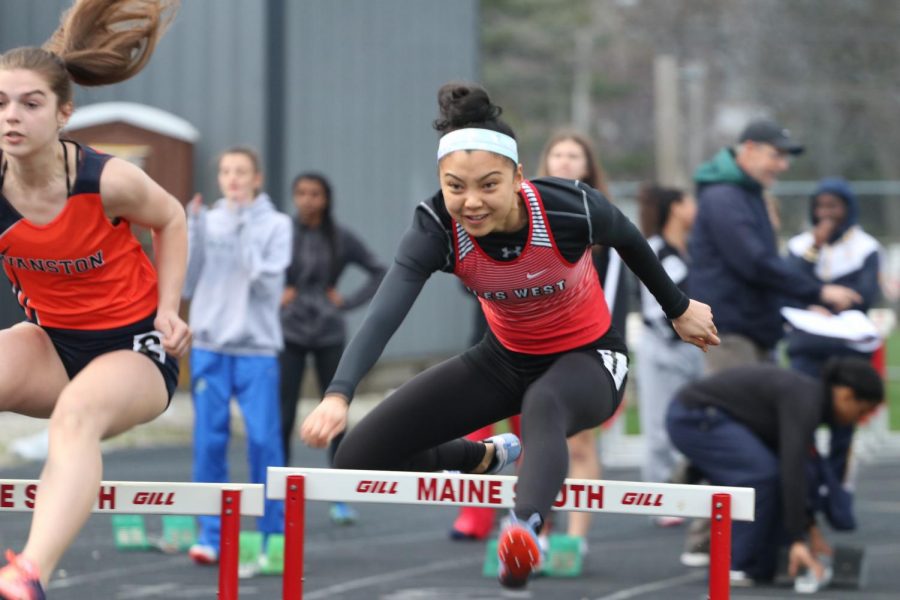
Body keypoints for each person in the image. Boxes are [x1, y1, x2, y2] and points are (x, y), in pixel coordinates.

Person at [299, 82, 719, 589]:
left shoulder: (568, 207)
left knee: (543, 404)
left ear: (519, 177)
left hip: (589, 357)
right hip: (503, 360)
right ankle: (482, 457)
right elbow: (387, 310)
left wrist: (677, 308)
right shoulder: (435, 227)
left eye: (488, 186)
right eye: (456, 187)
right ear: (441, 181)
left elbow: (629, 238)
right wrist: (339, 394)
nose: (471, 203)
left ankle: (525, 532)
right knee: (357, 456)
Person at [0, 1, 189, 597]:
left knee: (74, 416)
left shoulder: (106, 180)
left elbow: (174, 218)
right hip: (53, 345)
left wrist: (170, 307)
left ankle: (30, 573)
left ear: (63, 113)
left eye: (29, 104)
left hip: (134, 352)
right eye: (1, 103)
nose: (12, 116)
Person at [666, 357, 883, 586]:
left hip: (720, 418)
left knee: (778, 471)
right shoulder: (805, 401)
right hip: (693, 415)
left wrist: (809, 528)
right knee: (761, 476)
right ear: (846, 395)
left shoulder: (809, 398)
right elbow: (792, 469)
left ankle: (764, 562)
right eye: (861, 412)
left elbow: (796, 469)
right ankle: (736, 565)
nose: (858, 420)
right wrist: (797, 539)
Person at [182, 147, 291, 565]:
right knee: (209, 442)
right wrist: (192, 230)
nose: (232, 179)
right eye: (226, 171)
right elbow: (187, 284)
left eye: (241, 171)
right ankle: (210, 536)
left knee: (264, 442)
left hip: (257, 350)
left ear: (257, 178)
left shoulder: (277, 225)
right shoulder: (206, 221)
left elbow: (265, 285)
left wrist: (244, 227)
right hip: (210, 348)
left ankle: (272, 539)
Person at [688, 119, 862, 374]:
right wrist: (819, 292)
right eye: (776, 155)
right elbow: (755, 264)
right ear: (749, 149)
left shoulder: (747, 195)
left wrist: (800, 307)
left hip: (754, 331)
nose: (783, 165)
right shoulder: (724, 197)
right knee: (739, 412)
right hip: (732, 336)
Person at [531, 129, 632, 555]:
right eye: (559, 154)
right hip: (534, 344)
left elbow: (615, 296)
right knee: (536, 436)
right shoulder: (526, 217)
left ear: (589, 167)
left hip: (588, 346)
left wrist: (613, 356)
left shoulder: (603, 223)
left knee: (580, 441)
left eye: (575, 155)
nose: (566, 161)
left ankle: (575, 537)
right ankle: (535, 526)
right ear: (547, 163)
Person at [279, 171, 385, 524]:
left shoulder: (340, 238)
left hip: (328, 331)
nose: (308, 200)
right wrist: (276, 296)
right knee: (283, 414)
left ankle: (340, 494)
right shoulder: (282, 233)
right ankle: (280, 493)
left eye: (315, 194)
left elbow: (379, 271)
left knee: (334, 410)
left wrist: (346, 301)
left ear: (326, 199)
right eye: (301, 193)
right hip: (289, 331)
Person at [635, 184, 703, 500]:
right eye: (690, 201)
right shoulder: (654, 249)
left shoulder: (692, 249)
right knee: (660, 427)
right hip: (663, 351)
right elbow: (655, 310)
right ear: (675, 208)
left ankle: (690, 490)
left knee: (696, 421)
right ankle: (660, 497)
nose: (696, 207)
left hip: (694, 350)